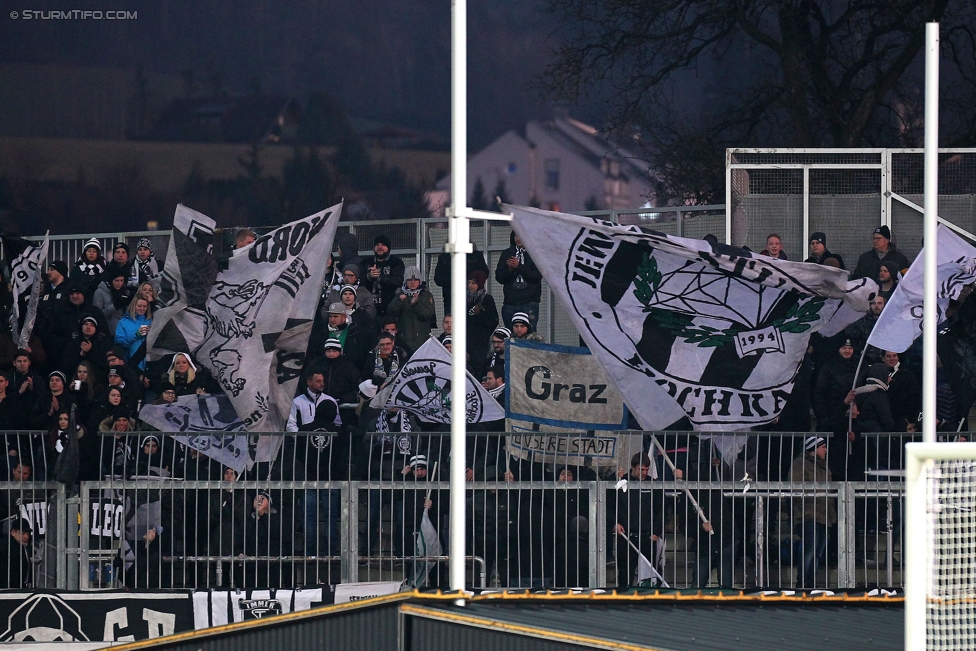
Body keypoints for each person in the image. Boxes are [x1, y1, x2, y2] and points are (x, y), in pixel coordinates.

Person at [610, 453, 662, 589]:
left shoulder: (653, 484)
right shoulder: (622, 482)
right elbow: (610, 504)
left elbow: (660, 511)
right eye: (641, 469)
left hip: (647, 537)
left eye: (646, 469)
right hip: (626, 536)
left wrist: (656, 533)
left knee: (649, 578)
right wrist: (615, 523)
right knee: (625, 576)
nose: (644, 473)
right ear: (633, 467)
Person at [790, 436, 836, 589]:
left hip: (824, 514)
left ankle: (810, 584)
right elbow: (795, 487)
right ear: (814, 449)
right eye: (823, 447)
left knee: (817, 552)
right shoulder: (799, 464)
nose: (826, 450)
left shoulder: (824, 466)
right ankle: (802, 583)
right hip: (808, 514)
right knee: (809, 550)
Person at [814, 339, 860, 479]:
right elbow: (820, 393)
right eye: (844, 347)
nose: (847, 351)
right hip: (832, 419)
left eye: (850, 348)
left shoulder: (859, 366)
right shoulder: (829, 367)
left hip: (853, 421)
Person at [495, 232, 543, 331]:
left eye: (521, 236)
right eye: (516, 236)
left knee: (530, 335)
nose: (518, 239)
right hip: (510, 303)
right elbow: (499, 278)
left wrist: (519, 267)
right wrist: (510, 270)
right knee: (510, 335)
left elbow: (537, 276)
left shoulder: (535, 253)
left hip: (529, 302)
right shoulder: (507, 253)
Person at [387, 265, 436, 356]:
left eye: (416, 279)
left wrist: (415, 305)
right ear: (405, 281)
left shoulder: (426, 295)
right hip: (404, 341)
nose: (413, 282)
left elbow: (426, 314)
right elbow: (390, 312)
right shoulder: (399, 294)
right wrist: (399, 301)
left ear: (420, 281)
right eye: (409, 280)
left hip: (422, 341)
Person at [433, 243, 489, 314]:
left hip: (474, 299)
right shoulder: (444, 257)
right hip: (451, 299)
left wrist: (469, 276)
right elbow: (438, 279)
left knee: (474, 322)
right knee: (452, 323)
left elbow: (485, 273)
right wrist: (453, 275)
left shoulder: (476, 255)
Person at [306, 339, 362, 405]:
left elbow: (357, 387)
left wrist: (343, 399)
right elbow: (305, 382)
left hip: (342, 405)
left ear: (339, 352)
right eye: (328, 351)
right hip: (315, 402)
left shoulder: (349, 367)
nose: (331, 354)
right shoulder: (315, 365)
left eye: (334, 351)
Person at [361, 234, 405, 318]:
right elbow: (357, 279)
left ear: (388, 248)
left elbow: (398, 280)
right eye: (377, 245)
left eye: (383, 245)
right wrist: (369, 276)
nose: (380, 247)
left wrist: (380, 277)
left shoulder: (396, 262)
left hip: (389, 309)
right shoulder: (366, 262)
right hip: (369, 308)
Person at [465, 270, 498, 366]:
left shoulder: (487, 299)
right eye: (469, 283)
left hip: (480, 342)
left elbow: (493, 321)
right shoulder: (464, 299)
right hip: (466, 340)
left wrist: (479, 314)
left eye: (473, 283)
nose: (470, 286)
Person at [844, 294, 885, 365]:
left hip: (886, 361)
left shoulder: (890, 323)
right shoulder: (859, 323)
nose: (876, 306)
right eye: (873, 303)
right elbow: (853, 344)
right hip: (864, 362)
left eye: (879, 303)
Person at [114, 297, 152, 371]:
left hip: (149, 364)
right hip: (131, 362)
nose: (142, 309)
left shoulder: (150, 321)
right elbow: (119, 342)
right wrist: (136, 334)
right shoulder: (123, 322)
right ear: (133, 305)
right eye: (139, 306)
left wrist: (151, 334)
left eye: (145, 306)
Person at [93, 268, 135, 334]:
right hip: (107, 330)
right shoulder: (100, 292)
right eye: (117, 280)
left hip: (124, 330)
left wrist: (130, 304)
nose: (119, 283)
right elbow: (98, 315)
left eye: (122, 280)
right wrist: (115, 306)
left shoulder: (125, 292)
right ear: (111, 280)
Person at [0, 518, 34, 588]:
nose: (26, 537)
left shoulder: (22, 547)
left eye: (28, 534)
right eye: (22, 533)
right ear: (13, 532)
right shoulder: (7, 547)